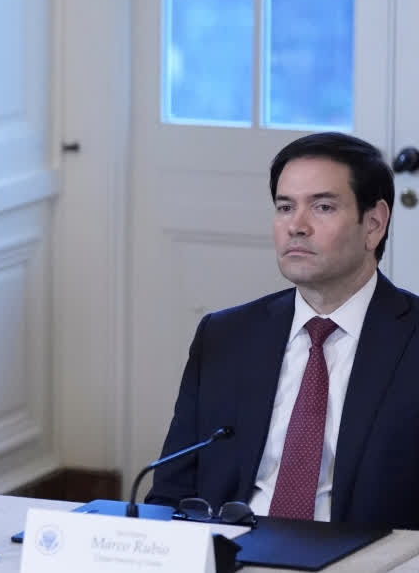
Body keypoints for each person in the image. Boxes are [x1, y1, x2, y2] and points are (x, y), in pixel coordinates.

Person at [147, 131, 419, 528]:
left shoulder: (410, 337)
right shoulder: (225, 335)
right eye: (285, 207)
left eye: (323, 207)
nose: (297, 226)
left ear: (374, 224)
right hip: (232, 551)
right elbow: (172, 491)